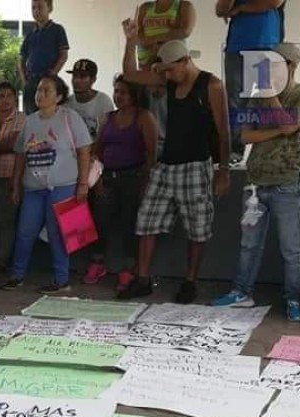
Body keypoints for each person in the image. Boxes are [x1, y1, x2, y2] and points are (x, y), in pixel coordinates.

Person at [118, 33, 230, 303]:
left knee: (197, 228)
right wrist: (131, 41)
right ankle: (142, 279)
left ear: (185, 61)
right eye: (163, 71)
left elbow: (224, 130)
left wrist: (224, 170)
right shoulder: (168, 78)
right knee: (146, 221)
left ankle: (190, 282)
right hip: (166, 164)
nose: (166, 76)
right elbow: (130, 74)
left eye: (170, 70)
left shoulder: (211, 85)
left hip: (196, 164)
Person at [213, 43, 300, 321]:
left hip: (288, 183)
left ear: (292, 67)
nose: (270, 71)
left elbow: (288, 124)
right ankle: (241, 291)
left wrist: (271, 98)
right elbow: (245, 136)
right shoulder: (256, 96)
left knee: (292, 249)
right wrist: (277, 130)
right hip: (255, 183)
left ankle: (295, 299)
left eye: (276, 65)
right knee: (249, 244)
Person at [1, 75, 92, 294]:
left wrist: (82, 184)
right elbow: (21, 154)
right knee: (25, 231)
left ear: (59, 96)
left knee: (59, 233)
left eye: (47, 91)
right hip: (33, 188)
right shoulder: (30, 121)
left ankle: (61, 280)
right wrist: (16, 184)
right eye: (39, 90)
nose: (40, 94)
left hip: (63, 186)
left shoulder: (70, 118)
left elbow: (84, 151)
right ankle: (17, 275)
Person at [87, 76, 158, 291]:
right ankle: (98, 263)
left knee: (130, 224)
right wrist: (97, 179)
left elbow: (152, 154)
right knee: (100, 222)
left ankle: (129, 267)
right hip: (108, 177)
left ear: (134, 94)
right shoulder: (108, 118)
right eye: (116, 91)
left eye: (123, 92)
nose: (118, 96)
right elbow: (97, 151)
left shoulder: (144, 117)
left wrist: (145, 183)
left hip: (133, 177)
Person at [217, 0, 285, 161]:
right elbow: (220, 10)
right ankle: (235, 153)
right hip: (236, 47)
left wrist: (240, 8)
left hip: (266, 45)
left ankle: (270, 152)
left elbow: (272, 3)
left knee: (267, 99)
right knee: (234, 101)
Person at [0, 81, 25, 272]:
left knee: (7, 221)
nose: (5, 100)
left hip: (11, 176)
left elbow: (16, 145)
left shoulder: (22, 119)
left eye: (9, 95)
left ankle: (3, 261)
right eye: (1, 96)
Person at [18, 0, 69, 115]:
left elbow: (63, 55)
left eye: (40, 7)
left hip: (48, 80)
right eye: (33, 8)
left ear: (49, 8)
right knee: (30, 116)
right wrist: (24, 81)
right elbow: (21, 60)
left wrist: (52, 73)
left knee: (48, 115)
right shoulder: (30, 34)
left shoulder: (57, 30)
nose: (36, 11)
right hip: (31, 81)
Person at [135, 0, 196, 68]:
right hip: (145, 61)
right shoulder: (145, 7)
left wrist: (156, 42)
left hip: (172, 61)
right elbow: (137, 33)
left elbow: (185, 31)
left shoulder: (184, 5)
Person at [67, 59, 114, 141]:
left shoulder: (103, 101)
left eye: (82, 77)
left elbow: (107, 134)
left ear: (93, 79)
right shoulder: (67, 102)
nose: (76, 80)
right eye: (74, 76)